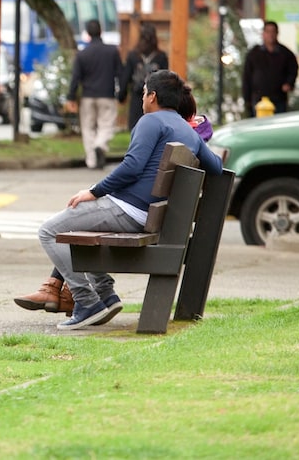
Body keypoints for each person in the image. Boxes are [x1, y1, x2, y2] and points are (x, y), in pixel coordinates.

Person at [33, 70, 224, 330]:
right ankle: (106, 295)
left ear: (153, 97)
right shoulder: (187, 130)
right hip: (152, 214)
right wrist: (198, 134)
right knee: (77, 228)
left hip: (128, 210)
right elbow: (215, 166)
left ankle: (86, 301)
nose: (142, 98)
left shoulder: (150, 121)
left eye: (144, 92)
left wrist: (94, 191)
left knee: (48, 231)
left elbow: (133, 167)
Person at [64, 19, 123, 169]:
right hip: (106, 94)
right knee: (106, 124)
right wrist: (122, 92)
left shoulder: (82, 54)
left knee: (88, 127)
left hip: (88, 95)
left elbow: (75, 77)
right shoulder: (112, 51)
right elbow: (120, 73)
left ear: (87, 34)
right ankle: (100, 145)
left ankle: (91, 160)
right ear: (101, 31)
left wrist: (71, 97)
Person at [242, 20, 298, 116]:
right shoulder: (254, 53)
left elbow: (293, 69)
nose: (270, 35)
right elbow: (247, 76)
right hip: (258, 98)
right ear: (263, 34)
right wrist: (247, 99)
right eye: (268, 32)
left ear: (277, 33)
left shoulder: (285, 53)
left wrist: (289, 83)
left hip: (278, 98)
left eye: (273, 32)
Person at [120, 23, 168, 130]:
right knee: (154, 128)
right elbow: (165, 79)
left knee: (136, 128)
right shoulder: (161, 56)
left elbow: (126, 76)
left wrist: (121, 95)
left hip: (137, 96)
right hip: (155, 98)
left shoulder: (133, 56)